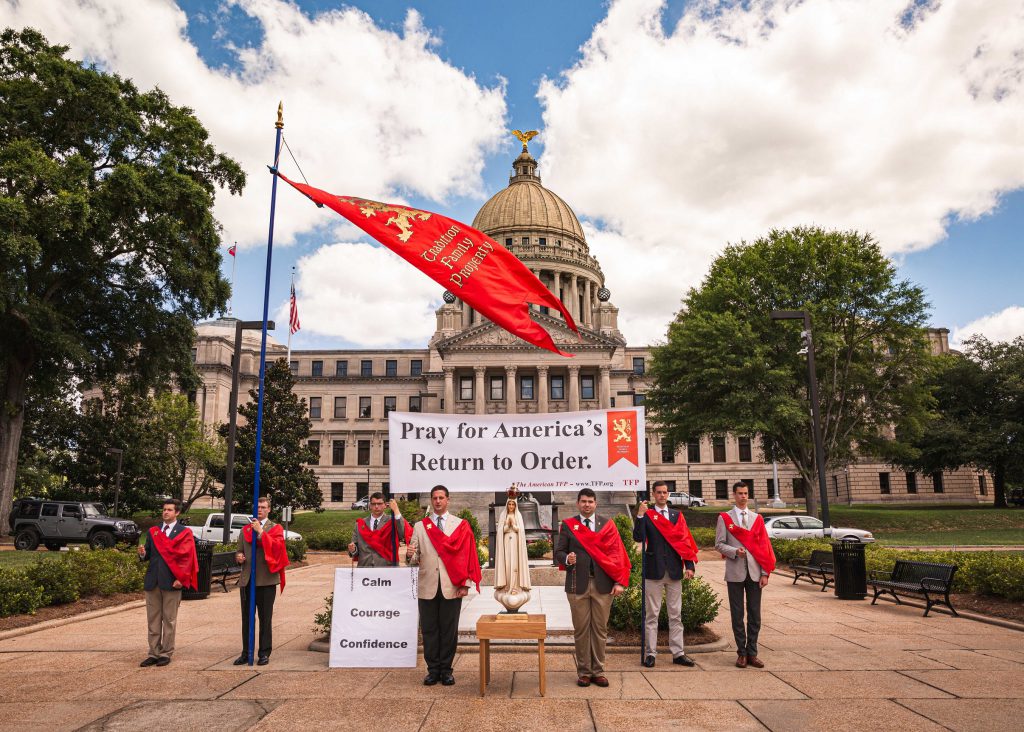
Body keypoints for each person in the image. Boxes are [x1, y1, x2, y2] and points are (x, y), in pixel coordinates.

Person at [554, 488, 630, 688]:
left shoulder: (607, 525)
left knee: (600, 629)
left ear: (596, 504)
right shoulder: (569, 526)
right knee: (581, 630)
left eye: (590, 501)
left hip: (603, 585)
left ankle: (598, 671)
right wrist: (566, 558)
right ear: (578, 503)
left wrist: (619, 581)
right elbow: (558, 552)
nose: (587, 505)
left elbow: (617, 554)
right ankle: (584, 672)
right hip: (576, 585)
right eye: (583, 501)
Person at [406, 485, 481, 686]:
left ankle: (446, 670)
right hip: (427, 585)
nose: (437, 501)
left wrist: (465, 584)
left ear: (448, 500)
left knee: (449, 630)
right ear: (431, 501)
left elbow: (467, 556)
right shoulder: (421, 526)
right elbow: (414, 559)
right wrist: (409, 554)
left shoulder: (460, 525)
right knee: (429, 629)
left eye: (441, 498)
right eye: (434, 498)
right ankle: (433, 670)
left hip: (451, 585)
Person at [633, 480, 698, 667]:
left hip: (674, 570)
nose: (662, 495)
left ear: (668, 494)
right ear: (653, 494)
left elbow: (684, 542)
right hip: (654, 570)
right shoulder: (647, 515)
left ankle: (678, 653)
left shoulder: (677, 515)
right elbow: (637, 537)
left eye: (665, 492)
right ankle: (651, 653)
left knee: (675, 614)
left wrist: (690, 565)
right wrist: (639, 515)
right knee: (652, 614)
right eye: (659, 492)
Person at [715, 481, 776, 668]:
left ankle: (752, 652)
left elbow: (764, 547)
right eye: (740, 493)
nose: (743, 496)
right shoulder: (724, 518)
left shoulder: (756, 518)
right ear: (734, 495)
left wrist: (765, 573)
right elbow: (719, 544)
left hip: (755, 572)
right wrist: (734, 551)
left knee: (755, 615)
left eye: (746, 493)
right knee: (737, 614)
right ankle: (741, 653)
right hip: (735, 572)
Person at [138, 498, 198, 667]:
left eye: (170, 510)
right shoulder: (153, 532)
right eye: (164, 509)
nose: (166, 512)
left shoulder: (184, 532)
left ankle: (166, 653)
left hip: (172, 582)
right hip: (153, 582)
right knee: (153, 620)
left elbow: (188, 558)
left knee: (169, 620)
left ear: (177, 512)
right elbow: (148, 555)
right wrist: (143, 553)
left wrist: (181, 578)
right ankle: (153, 653)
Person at [234, 495, 290, 666]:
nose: (259, 510)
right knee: (247, 619)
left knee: (265, 619)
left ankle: (264, 652)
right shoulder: (245, 530)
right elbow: (239, 551)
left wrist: (260, 531)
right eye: (257, 507)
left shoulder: (276, 528)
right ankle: (246, 652)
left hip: (266, 580)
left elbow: (277, 547)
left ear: (269, 509)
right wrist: (239, 557)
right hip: (248, 580)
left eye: (263, 507)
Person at [348, 492, 411, 567]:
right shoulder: (360, 524)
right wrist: (353, 549)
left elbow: (402, 533)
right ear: (370, 505)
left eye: (380, 503)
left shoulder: (392, 521)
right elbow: (354, 548)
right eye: (374, 504)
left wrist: (396, 510)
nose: (376, 506)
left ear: (385, 505)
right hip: (365, 568)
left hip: (387, 568)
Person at [493, 496, 532, 612]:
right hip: (506, 543)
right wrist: (506, 526)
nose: (511, 506)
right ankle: (507, 586)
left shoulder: (518, 516)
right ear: (507, 505)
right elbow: (500, 531)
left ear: (515, 506)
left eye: (513, 504)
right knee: (507, 565)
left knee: (515, 565)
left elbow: (521, 531)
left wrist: (513, 525)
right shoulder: (503, 515)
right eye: (509, 504)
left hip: (515, 543)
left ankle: (515, 587)